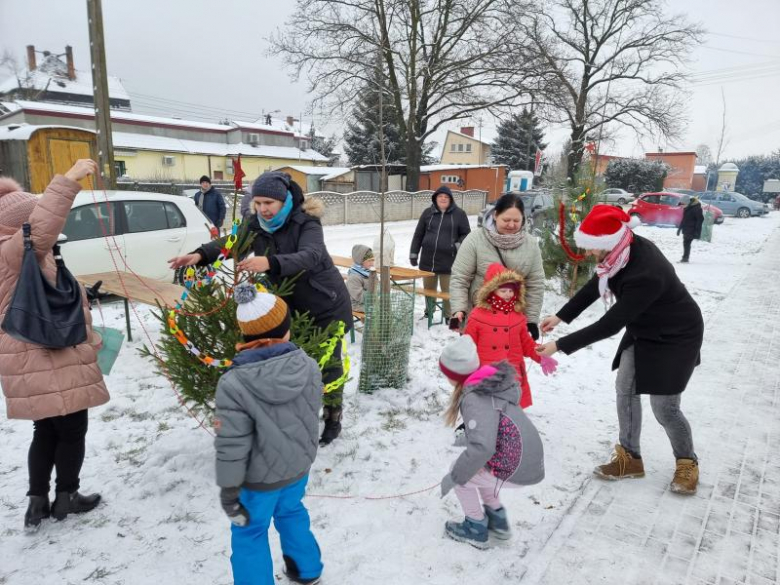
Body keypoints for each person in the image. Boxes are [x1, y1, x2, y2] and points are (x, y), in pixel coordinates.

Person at [169, 171, 352, 445]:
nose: (263, 209)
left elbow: (311, 256)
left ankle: (333, 415)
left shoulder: (306, 222)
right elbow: (231, 242)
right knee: (292, 364)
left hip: (324, 303)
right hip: (286, 307)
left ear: (283, 200)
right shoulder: (257, 224)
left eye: (269, 203)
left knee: (329, 363)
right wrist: (199, 255)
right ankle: (297, 414)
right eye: (258, 203)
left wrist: (270, 263)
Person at [536, 205, 703, 495]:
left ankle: (687, 462)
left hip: (677, 335)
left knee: (665, 408)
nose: (588, 254)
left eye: (590, 248)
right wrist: (561, 316)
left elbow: (609, 325)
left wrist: (558, 346)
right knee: (625, 388)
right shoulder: (618, 254)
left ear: (607, 243)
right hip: (643, 329)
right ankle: (630, 458)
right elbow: (596, 284)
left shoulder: (644, 270)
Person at [0, 160, 110, 529]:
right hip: (45, 353)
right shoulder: (14, 251)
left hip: (27, 356)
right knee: (72, 428)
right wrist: (69, 179)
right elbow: (43, 224)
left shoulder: (17, 256)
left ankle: (36, 502)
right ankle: (67, 496)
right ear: (20, 225)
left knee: (45, 429)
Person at [215, 283, 323, 585]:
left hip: (257, 481)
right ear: (285, 332)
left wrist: (228, 489)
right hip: (298, 468)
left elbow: (230, 444)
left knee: (250, 531)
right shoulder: (308, 366)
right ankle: (307, 569)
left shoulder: (233, 384)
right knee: (291, 513)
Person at [438, 336, 545, 549]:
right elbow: (492, 424)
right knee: (479, 471)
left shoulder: (474, 398)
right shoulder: (487, 386)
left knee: (461, 474)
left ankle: (475, 527)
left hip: (517, 466)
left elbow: (484, 447)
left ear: (454, 374)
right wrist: (470, 436)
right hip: (526, 460)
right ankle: (498, 522)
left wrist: (456, 476)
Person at [449, 192, 544, 339]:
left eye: (516, 220)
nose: (511, 225)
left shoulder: (530, 245)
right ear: (495, 215)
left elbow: (535, 284)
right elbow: (460, 277)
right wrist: (459, 309)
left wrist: (531, 320)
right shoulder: (475, 239)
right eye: (506, 219)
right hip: (478, 319)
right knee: (477, 360)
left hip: (511, 322)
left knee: (507, 361)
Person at [464, 263, 556, 408]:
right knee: (486, 408)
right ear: (492, 291)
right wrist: (462, 366)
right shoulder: (478, 315)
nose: (508, 294)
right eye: (503, 290)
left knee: (510, 408)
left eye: (511, 291)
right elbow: (468, 345)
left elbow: (527, 344)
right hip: (488, 372)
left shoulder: (517, 315)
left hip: (512, 372)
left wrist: (541, 356)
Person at [409, 185, 471, 322]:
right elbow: (418, 234)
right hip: (428, 260)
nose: (443, 199)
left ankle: (449, 316)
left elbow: (466, 233)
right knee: (429, 289)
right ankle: (429, 312)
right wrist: (414, 253)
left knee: (447, 291)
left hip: (449, 261)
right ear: (435, 198)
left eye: (446, 197)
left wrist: (457, 245)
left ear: (450, 199)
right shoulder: (427, 213)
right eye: (440, 196)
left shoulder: (459, 214)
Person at [346, 244, 374, 313]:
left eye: (373, 260)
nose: (372, 263)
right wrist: (375, 296)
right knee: (377, 311)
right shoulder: (354, 277)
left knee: (385, 308)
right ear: (360, 261)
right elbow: (359, 296)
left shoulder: (368, 272)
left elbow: (377, 285)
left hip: (369, 301)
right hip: (357, 304)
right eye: (369, 261)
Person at [677, 197, 704, 263]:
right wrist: (679, 229)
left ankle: (685, 258)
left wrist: (697, 232)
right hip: (687, 229)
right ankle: (685, 258)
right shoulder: (687, 208)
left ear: (687, 203)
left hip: (692, 230)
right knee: (686, 243)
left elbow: (700, 221)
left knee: (686, 243)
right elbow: (684, 219)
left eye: (682, 205)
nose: (682, 207)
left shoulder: (697, 209)